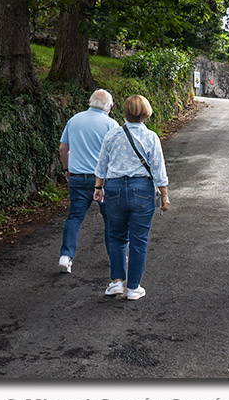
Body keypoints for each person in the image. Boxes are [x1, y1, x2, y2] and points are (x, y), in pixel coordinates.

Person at [93, 94, 170, 300]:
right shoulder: (151, 137)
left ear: (125, 112)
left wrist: (99, 187)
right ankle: (134, 288)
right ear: (146, 113)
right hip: (142, 189)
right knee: (139, 240)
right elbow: (158, 170)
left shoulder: (112, 135)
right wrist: (164, 195)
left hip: (115, 188)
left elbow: (101, 164)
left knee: (116, 236)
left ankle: (117, 282)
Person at [57, 89, 119, 274]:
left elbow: (63, 149)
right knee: (110, 220)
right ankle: (116, 257)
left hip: (77, 177)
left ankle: (66, 256)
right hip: (102, 180)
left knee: (75, 217)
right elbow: (115, 154)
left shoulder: (74, 120)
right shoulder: (111, 124)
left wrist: (67, 169)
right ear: (109, 106)